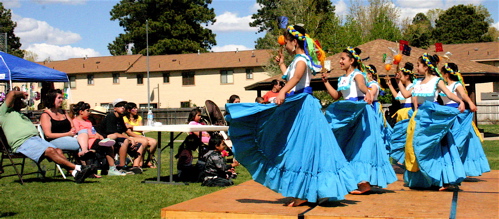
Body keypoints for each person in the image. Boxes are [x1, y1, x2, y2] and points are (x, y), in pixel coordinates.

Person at [226, 25, 357, 207]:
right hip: (299, 105)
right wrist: (281, 63)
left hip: (303, 107)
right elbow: (290, 75)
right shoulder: (298, 59)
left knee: (301, 148)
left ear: (295, 42)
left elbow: (295, 79)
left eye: (287, 42)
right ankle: (310, 190)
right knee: (302, 147)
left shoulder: (302, 60)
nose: (286, 46)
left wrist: (282, 92)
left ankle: (305, 192)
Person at [322, 47, 396, 194]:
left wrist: (368, 93)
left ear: (352, 60)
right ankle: (350, 179)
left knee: (361, 147)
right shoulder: (342, 78)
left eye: (343, 59)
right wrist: (326, 83)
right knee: (344, 145)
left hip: (359, 112)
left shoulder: (358, 74)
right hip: (346, 113)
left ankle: (364, 182)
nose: (340, 61)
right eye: (341, 58)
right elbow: (336, 96)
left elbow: (362, 86)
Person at [401, 53, 466, 190]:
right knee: (417, 147)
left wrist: (460, 101)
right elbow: (406, 95)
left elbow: (448, 94)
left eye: (418, 65)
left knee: (436, 148)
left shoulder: (437, 80)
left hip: (433, 118)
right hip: (419, 118)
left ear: (425, 66)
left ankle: (443, 179)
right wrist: (398, 82)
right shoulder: (417, 82)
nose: (416, 67)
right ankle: (425, 179)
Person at [0, 90, 94, 183]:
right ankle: (79, 167)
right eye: (19, 100)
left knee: (58, 150)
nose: (21, 102)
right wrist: (22, 94)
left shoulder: (21, 115)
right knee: (50, 151)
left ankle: (75, 174)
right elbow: (12, 93)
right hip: (22, 143)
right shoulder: (3, 112)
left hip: (35, 139)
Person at [440, 63, 490, 177]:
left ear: (446, 74)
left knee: (460, 142)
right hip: (445, 116)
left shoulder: (456, 84)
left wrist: (470, 102)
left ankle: (459, 168)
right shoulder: (442, 86)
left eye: (442, 73)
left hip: (456, 116)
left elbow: (463, 94)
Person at [72, 102, 124, 176]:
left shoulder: (88, 121)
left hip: (95, 140)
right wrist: (93, 136)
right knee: (106, 145)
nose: (89, 113)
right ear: (81, 112)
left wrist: (99, 135)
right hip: (86, 142)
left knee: (109, 145)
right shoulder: (75, 121)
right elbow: (78, 134)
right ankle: (108, 167)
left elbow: (93, 131)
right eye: (87, 110)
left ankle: (112, 168)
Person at [97, 98, 142, 174]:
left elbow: (123, 131)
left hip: (117, 139)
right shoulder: (111, 117)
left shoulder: (120, 118)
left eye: (124, 106)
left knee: (141, 144)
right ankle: (122, 166)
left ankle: (136, 166)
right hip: (105, 138)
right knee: (124, 140)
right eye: (120, 106)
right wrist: (129, 138)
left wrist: (133, 138)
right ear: (115, 108)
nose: (123, 108)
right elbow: (113, 133)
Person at [40, 89, 81, 159]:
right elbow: (48, 135)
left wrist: (73, 130)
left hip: (69, 137)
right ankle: (83, 165)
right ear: (52, 99)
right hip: (55, 140)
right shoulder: (45, 115)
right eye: (59, 98)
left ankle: (84, 165)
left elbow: (72, 125)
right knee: (81, 143)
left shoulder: (64, 112)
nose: (61, 100)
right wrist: (67, 134)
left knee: (85, 134)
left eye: (62, 98)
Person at [124, 102, 158, 168]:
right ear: (129, 110)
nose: (136, 110)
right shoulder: (125, 118)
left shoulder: (139, 118)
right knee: (144, 141)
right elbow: (129, 132)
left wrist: (131, 126)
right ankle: (140, 160)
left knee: (154, 141)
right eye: (134, 108)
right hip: (131, 136)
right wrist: (139, 136)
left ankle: (148, 160)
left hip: (140, 135)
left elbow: (141, 129)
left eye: (136, 108)